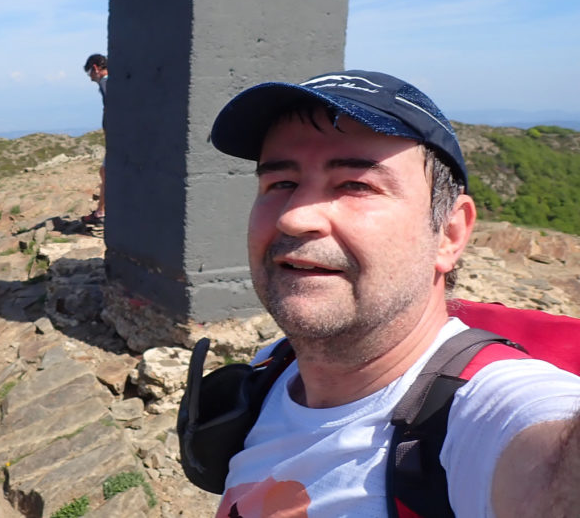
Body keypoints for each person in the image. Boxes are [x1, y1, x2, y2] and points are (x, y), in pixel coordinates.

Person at [208, 69, 580, 518]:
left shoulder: (483, 416)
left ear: (449, 233)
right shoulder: (272, 370)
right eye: (281, 183)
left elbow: (551, 466)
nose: (293, 218)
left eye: (355, 185)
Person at [82, 53, 108, 224]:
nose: (90, 77)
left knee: (107, 173)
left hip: (117, 138)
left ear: (95, 68)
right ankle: (102, 210)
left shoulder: (106, 82)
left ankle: (101, 213)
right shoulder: (107, 82)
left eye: (89, 72)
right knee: (104, 172)